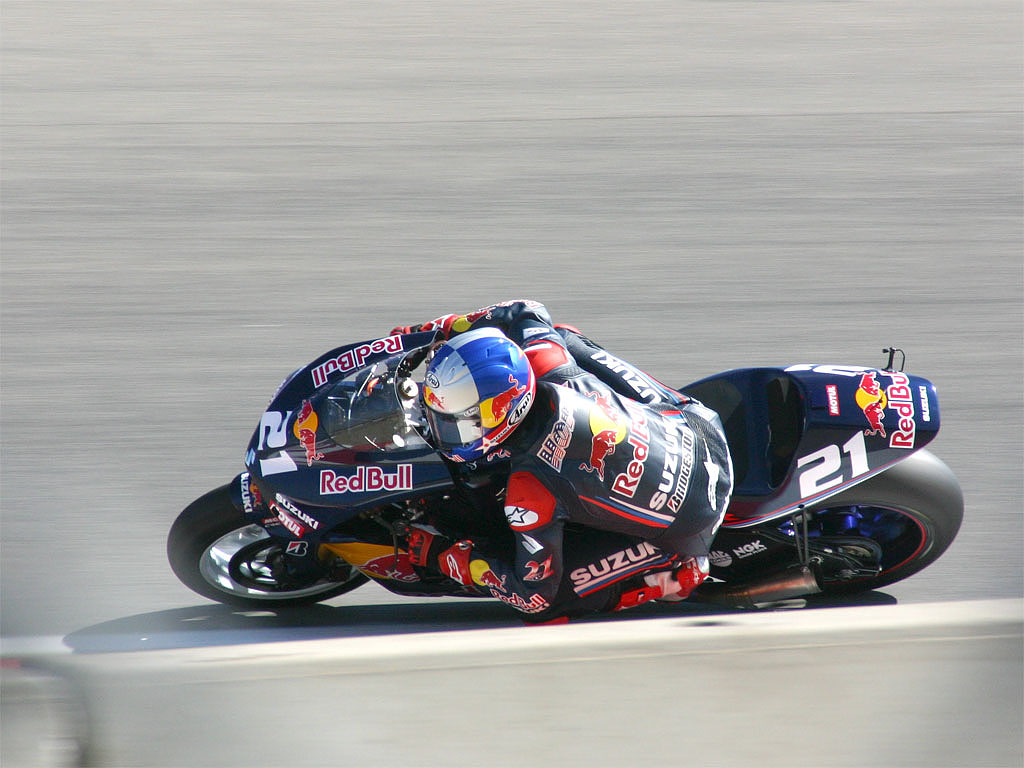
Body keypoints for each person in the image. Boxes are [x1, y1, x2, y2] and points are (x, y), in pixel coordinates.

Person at [393, 300, 734, 622]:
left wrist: (449, 559)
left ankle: (669, 578)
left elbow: (533, 596)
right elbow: (525, 310)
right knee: (563, 337)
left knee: (544, 609)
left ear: (501, 413)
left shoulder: (529, 490)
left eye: (457, 421)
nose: (444, 428)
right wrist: (437, 331)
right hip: (700, 426)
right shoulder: (546, 360)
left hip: (693, 521)